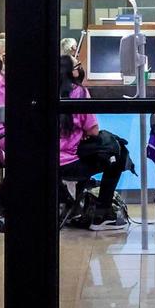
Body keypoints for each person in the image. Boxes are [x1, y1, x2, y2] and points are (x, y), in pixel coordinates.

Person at [58, 54, 128, 231]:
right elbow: (93, 130)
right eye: (77, 66)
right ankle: (102, 214)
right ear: (71, 72)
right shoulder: (79, 92)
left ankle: (73, 206)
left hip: (44, 160)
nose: (80, 69)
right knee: (118, 153)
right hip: (69, 162)